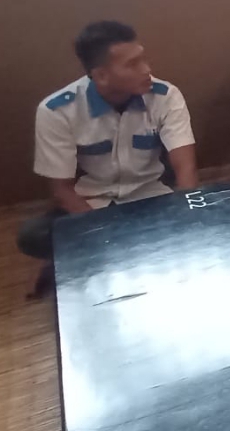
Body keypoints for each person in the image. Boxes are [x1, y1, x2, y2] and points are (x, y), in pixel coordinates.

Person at [18, 21, 198, 267]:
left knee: (210, 215)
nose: (146, 69)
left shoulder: (165, 96)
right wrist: (103, 233)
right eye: (132, 64)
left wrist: (185, 214)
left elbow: (185, 168)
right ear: (101, 75)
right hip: (92, 204)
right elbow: (62, 190)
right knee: (34, 235)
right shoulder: (57, 111)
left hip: (151, 197)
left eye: (143, 59)